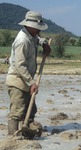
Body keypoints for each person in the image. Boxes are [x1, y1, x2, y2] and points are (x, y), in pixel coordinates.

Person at [6, 10, 51, 138]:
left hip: (26, 79)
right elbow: (20, 66)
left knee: (31, 110)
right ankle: (12, 138)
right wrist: (32, 83)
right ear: (29, 26)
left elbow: (38, 39)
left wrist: (44, 43)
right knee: (17, 111)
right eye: (37, 28)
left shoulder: (32, 36)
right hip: (18, 80)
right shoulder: (22, 40)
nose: (39, 31)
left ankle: (27, 131)